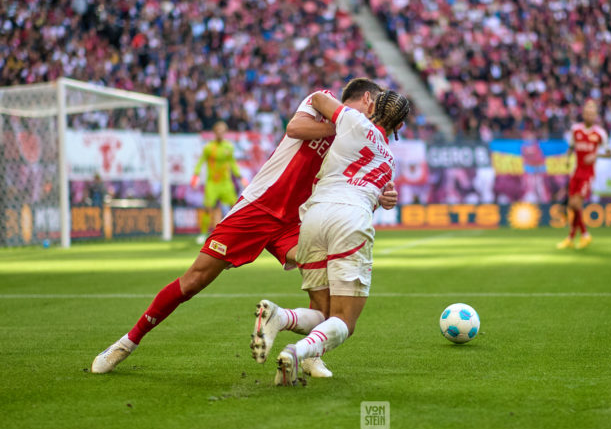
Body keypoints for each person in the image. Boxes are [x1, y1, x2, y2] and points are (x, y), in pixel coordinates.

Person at [91, 79, 398, 374]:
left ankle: (309, 356)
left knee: (326, 299)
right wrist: (341, 127)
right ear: (368, 101)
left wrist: (382, 195)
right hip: (258, 208)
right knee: (194, 281)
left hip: (297, 221)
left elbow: (358, 180)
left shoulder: (359, 139)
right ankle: (126, 343)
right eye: (377, 107)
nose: (377, 116)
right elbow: (294, 128)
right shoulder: (325, 105)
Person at [257, 89, 410, 386]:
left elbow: (316, 98)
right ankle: (296, 353)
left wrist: (344, 116)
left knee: (322, 311)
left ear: (372, 106)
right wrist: (385, 199)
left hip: (313, 217)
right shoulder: (390, 159)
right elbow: (372, 198)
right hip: (351, 217)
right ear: (400, 127)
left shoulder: (351, 120)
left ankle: (280, 317)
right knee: (344, 320)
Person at [557, 100, 611, 250]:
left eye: (592, 113)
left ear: (596, 116)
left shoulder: (600, 133)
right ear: (583, 114)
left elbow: (609, 153)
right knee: (572, 206)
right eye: (587, 112)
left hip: (587, 174)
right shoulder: (575, 130)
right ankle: (572, 238)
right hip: (576, 171)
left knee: (575, 204)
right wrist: (567, 159)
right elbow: (571, 147)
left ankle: (585, 234)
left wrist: (596, 155)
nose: (590, 115)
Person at [191, 121, 248, 244]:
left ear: (225, 132)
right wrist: (196, 175)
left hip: (226, 183)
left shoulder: (229, 147)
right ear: (214, 132)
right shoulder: (209, 148)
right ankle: (202, 234)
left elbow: (232, 163)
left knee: (235, 207)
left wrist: (240, 177)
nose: (220, 133)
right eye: (218, 131)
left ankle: (237, 232)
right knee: (208, 208)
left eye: (222, 131)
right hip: (212, 183)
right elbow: (201, 161)